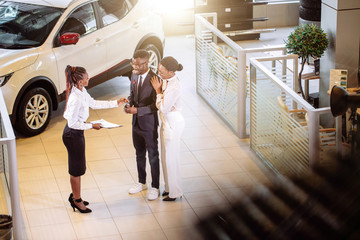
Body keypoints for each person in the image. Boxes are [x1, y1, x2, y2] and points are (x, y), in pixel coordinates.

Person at [63, 65, 128, 213]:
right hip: (72, 134)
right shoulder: (75, 98)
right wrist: (91, 126)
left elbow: (94, 103)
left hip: (77, 133)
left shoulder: (81, 91)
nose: (88, 79)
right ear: (79, 81)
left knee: (79, 167)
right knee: (76, 170)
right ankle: (76, 200)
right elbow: (72, 123)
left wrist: (116, 102)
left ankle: (75, 196)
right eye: (86, 78)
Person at [124, 50, 160, 200]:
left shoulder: (155, 79)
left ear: (146, 63)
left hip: (149, 124)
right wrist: (128, 103)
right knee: (139, 153)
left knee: (152, 155)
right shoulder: (133, 75)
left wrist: (137, 110)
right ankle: (141, 182)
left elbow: (155, 106)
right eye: (133, 63)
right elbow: (132, 94)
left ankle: (156, 186)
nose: (135, 66)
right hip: (136, 123)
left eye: (137, 64)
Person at [150, 56, 185, 201]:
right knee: (165, 157)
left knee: (171, 158)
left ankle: (175, 192)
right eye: (159, 71)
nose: (159, 74)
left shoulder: (174, 86)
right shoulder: (166, 80)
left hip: (173, 123)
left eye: (162, 72)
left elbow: (164, 108)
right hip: (166, 123)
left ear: (171, 72)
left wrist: (158, 92)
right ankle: (169, 187)